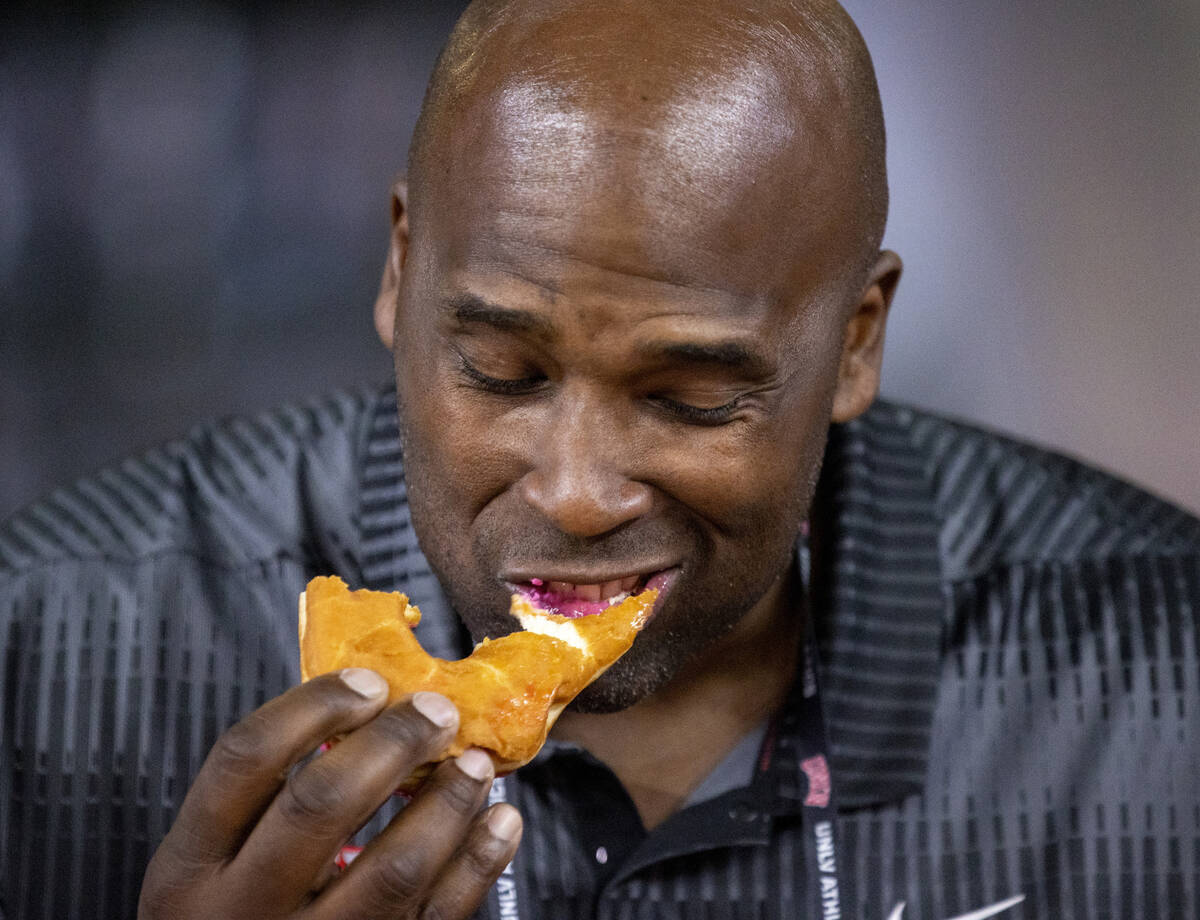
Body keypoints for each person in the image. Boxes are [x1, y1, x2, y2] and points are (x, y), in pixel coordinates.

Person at [1, 1, 1197, 918]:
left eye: (690, 399)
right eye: (502, 375)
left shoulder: (1158, 679)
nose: (574, 492)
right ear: (399, 268)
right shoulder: (49, 655)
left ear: (855, 341)